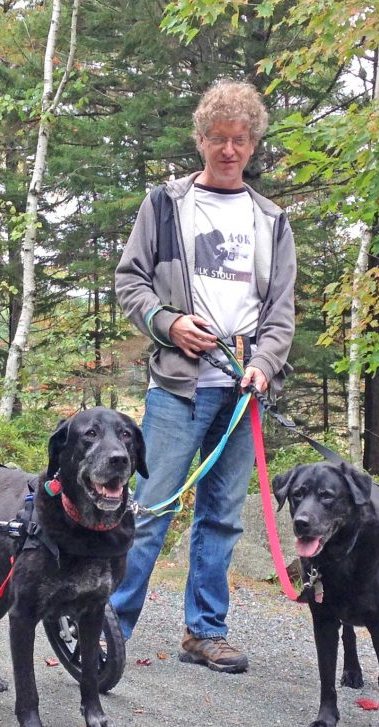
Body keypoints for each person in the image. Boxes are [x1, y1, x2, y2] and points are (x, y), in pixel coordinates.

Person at [111, 79, 297, 673]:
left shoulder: (271, 220)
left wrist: (263, 366)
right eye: (218, 139)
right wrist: (168, 323)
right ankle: (108, 626)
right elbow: (129, 283)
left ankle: (206, 632)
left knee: (221, 516)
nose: (228, 150)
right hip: (178, 383)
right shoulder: (165, 205)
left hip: (243, 390)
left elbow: (281, 315)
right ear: (200, 140)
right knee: (150, 507)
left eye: (239, 140)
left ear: (252, 143)